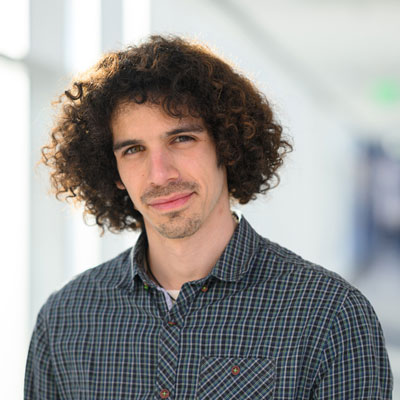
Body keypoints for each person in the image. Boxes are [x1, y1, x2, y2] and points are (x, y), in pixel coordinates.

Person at [25, 35, 392, 399]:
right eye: (134, 149)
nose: (160, 174)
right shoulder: (64, 319)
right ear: (114, 172)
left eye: (181, 139)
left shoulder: (330, 314)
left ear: (227, 146)